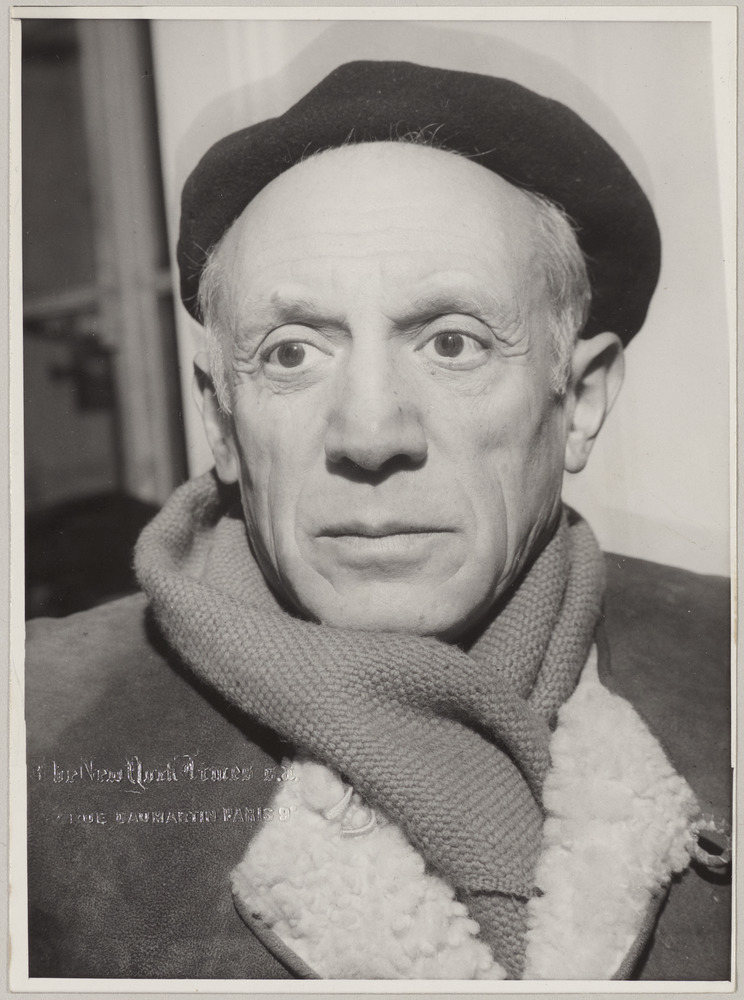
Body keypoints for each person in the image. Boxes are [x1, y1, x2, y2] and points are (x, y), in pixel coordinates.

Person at [25, 60, 730, 982]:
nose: (369, 433)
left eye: (452, 343)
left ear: (582, 399)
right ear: (220, 418)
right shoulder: (28, 741)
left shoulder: (725, 670)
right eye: (292, 353)